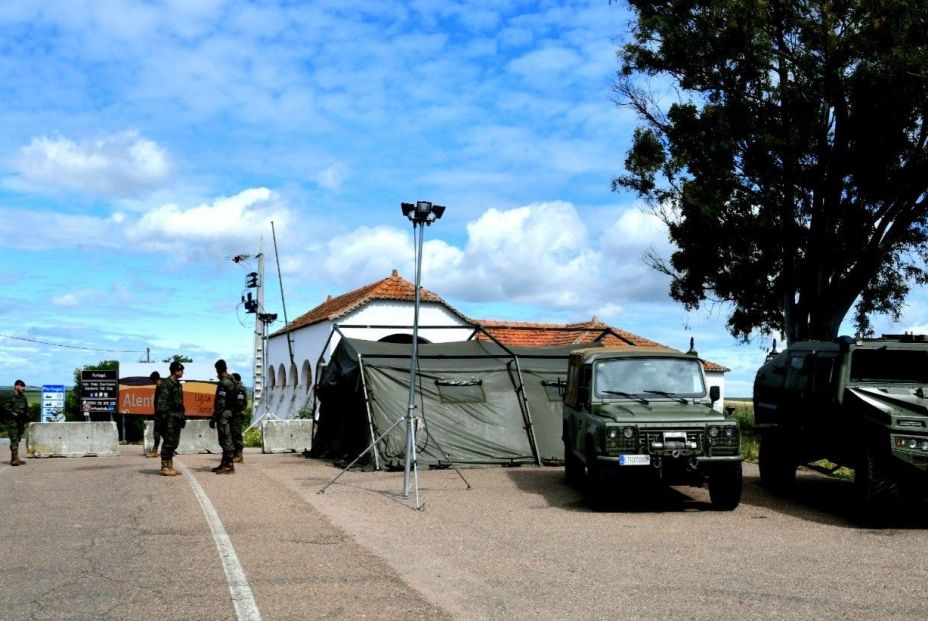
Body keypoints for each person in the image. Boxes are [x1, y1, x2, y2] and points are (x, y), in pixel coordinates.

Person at [156, 362, 186, 476]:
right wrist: (164, 418)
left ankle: (170, 466)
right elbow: (161, 403)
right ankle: (164, 466)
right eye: (181, 370)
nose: (182, 372)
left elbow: (180, 402)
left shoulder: (178, 385)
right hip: (169, 418)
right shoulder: (166, 384)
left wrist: (182, 415)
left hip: (177, 417)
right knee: (168, 441)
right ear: (175, 371)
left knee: (174, 442)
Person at [210, 359, 236, 474]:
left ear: (219, 370)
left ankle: (229, 465)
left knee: (225, 439)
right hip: (230, 413)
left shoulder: (224, 383)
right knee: (225, 438)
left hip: (223, 414)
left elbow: (220, 402)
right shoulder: (232, 380)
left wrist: (215, 416)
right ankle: (224, 462)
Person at [2, 380, 29, 466]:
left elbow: (26, 409)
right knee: (14, 440)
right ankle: (14, 460)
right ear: (16, 386)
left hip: (21, 422)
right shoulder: (11, 396)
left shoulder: (23, 397)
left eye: (24, 387)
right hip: (13, 422)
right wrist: (15, 414)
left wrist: (27, 415)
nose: (23, 388)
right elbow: (6, 408)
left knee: (18, 440)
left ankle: (16, 458)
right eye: (21, 386)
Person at [146, 371, 163, 458]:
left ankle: (155, 451)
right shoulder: (160, 386)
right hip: (160, 413)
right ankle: (166, 451)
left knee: (157, 433)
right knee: (164, 433)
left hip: (160, 414)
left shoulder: (161, 387)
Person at [230, 372, 247, 464]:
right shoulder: (235, 389)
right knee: (233, 434)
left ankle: (239, 455)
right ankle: (236, 453)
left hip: (238, 415)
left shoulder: (240, 390)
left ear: (236, 380)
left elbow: (239, 404)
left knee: (236, 434)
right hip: (234, 415)